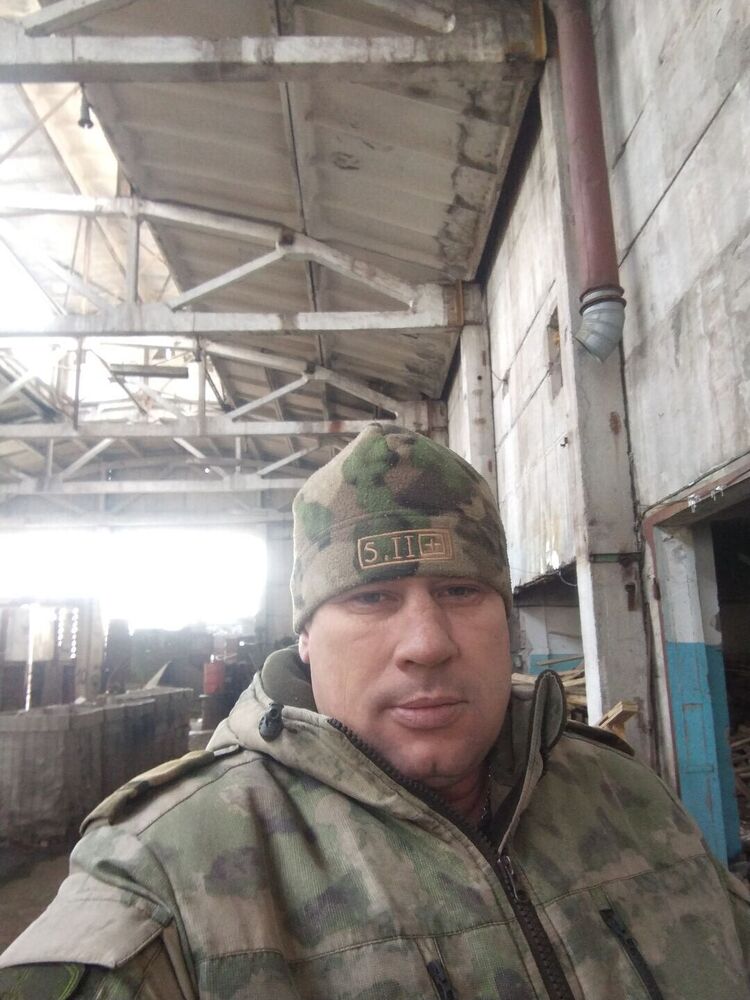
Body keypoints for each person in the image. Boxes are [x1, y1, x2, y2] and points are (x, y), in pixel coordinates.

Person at [1, 423, 749, 999]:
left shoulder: (625, 795)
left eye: (461, 591)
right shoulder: (164, 870)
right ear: (305, 637)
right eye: (371, 598)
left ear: (506, 620)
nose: (427, 644)